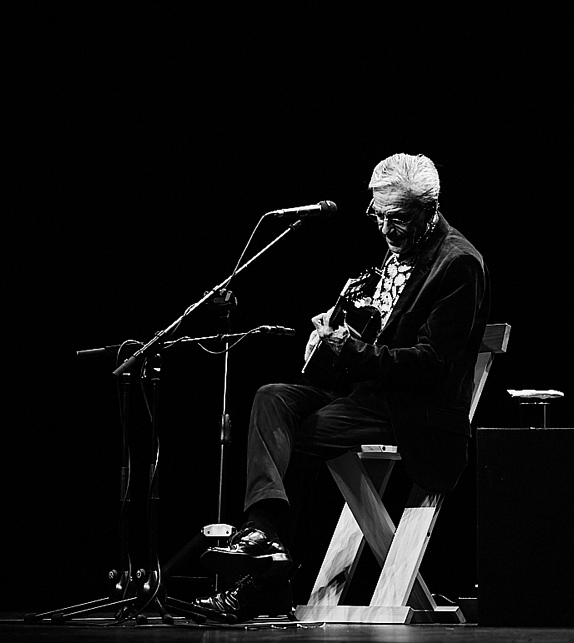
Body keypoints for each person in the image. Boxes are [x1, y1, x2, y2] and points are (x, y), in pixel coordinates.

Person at [194, 153, 490, 623]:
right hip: (366, 393)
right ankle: (264, 534)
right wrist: (336, 331)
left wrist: (349, 349)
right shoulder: (401, 251)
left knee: (291, 439)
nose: (387, 230)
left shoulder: (459, 265)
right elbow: (383, 335)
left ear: (430, 210)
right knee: (272, 398)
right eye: (379, 217)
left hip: (412, 408)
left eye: (399, 219)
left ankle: (264, 578)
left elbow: (429, 365)